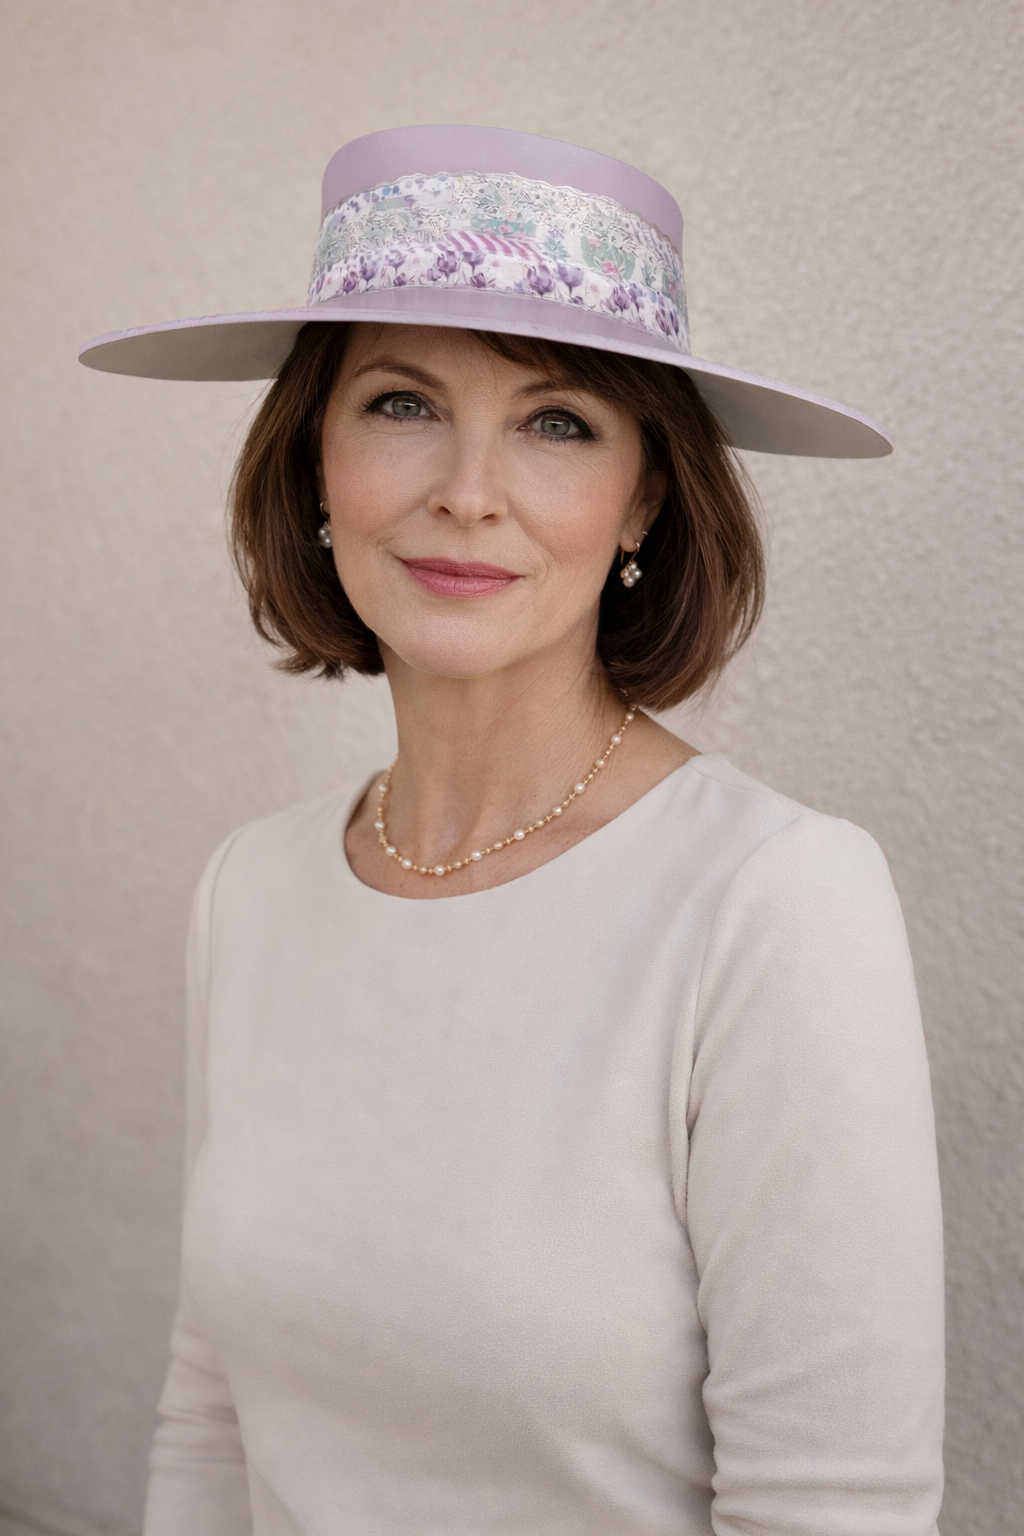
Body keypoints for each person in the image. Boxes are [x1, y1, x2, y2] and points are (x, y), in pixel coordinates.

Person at [81, 126, 945, 1536]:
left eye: (558, 423)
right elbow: (212, 1416)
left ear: (643, 499)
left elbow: (832, 1510)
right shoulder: (253, 890)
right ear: (313, 456)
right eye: (402, 403)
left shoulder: (776, 902)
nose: (467, 490)